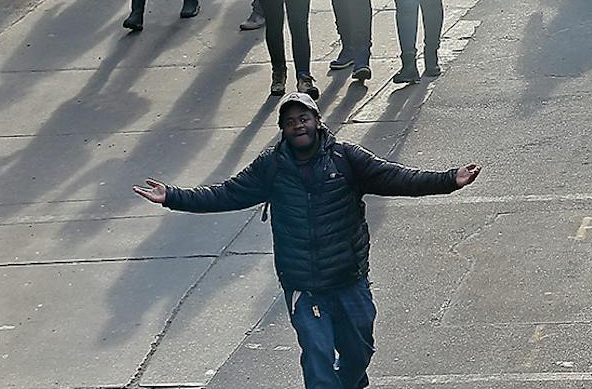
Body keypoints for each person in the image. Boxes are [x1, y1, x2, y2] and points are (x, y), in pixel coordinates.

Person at [135, 94, 479, 389]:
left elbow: (397, 177)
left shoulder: (347, 158)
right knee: (317, 361)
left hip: (348, 279)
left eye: (304, 118)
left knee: (358, 353)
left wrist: (449, 179)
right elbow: (226, 194)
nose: (298, 125)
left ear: (318, 121)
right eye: (289, 122)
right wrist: (173, 196)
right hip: (304, 286)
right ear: (283, 130)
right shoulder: (271, 167)